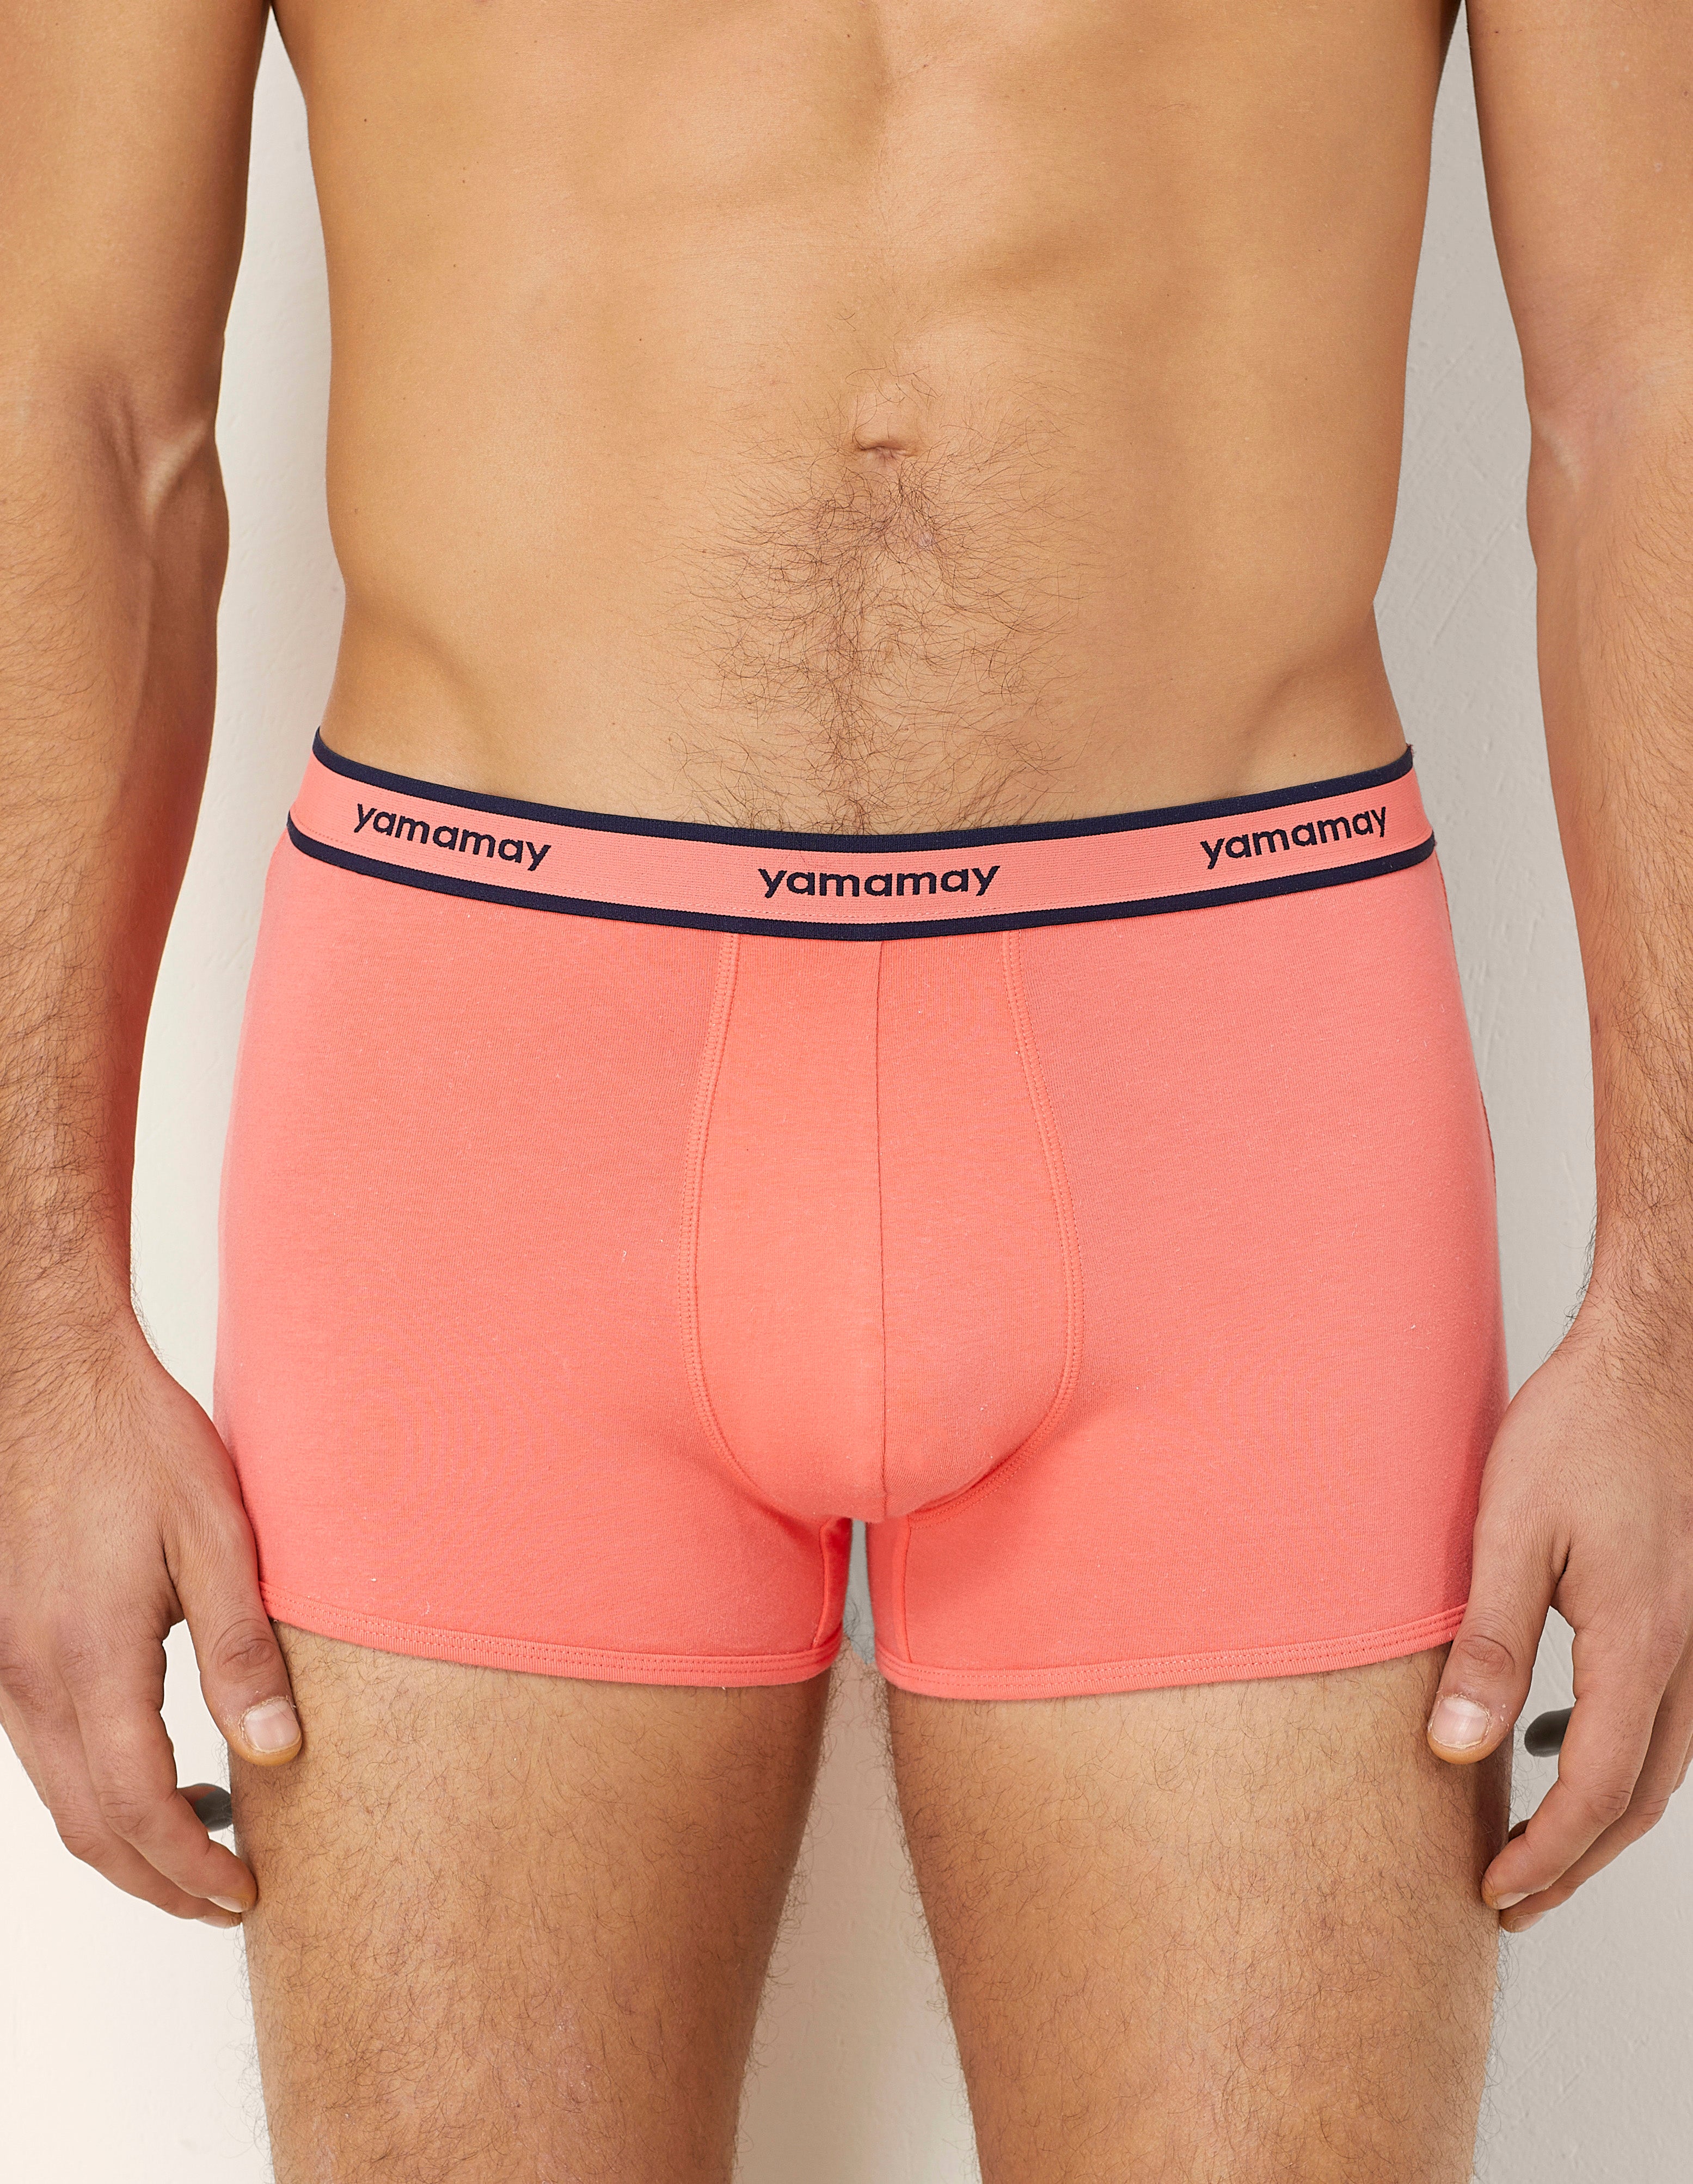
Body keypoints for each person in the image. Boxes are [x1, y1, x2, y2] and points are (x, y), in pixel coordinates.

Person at [2, 1, 1689, 2175]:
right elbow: (78, 401)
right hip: (493, 1102)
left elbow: (1645, 385)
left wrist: (1668, 1314)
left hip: (1229, 1089)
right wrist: (36, 1317)